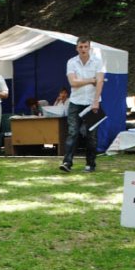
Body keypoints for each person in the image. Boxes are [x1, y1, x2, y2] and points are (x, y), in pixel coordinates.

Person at [59, 36, 105, 173]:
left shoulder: (98, 62)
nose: (83, 49)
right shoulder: (71, 62)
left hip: (93, 102)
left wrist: (96, 101)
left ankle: (90, 164)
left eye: (85, 47)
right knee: (72, 132)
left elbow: (100, 82)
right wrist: (91, 80)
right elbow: (73, 83)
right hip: (75, 102)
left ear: (89, 48)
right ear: (76, 48)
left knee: (91, 135)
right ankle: (67, 163)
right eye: (81, 47)